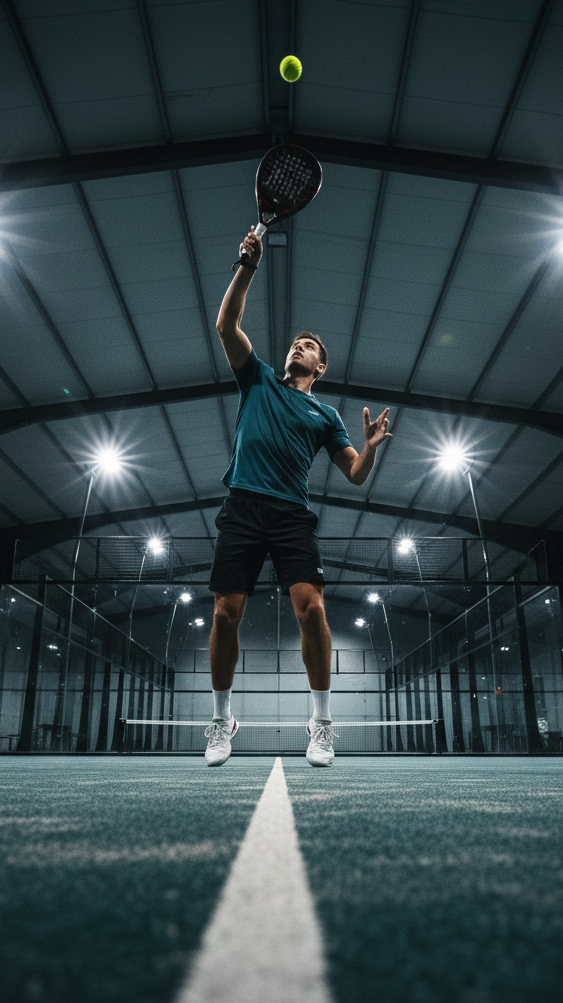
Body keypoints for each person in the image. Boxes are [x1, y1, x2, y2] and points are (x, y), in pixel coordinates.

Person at [205, 228, 392, 768]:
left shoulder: (326, 416)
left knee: (311, 609)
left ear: (320, 366)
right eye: (294, 344)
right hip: (243, 504)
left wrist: (371, 447)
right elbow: (226, 325)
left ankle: (323, 722)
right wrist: (247, 266)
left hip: (290, 515)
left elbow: (354, 474)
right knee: (225, 613)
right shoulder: (258, 380)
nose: (297, 348)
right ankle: (221, 719)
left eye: (307, 347)